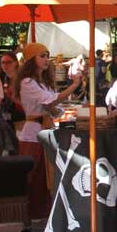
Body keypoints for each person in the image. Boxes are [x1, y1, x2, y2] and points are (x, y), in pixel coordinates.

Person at [16, 42, 82, 219]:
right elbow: (50, 102)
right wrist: (74, 85)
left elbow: (52, 107)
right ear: (31, 59)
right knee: (37, 179)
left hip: (46, 133)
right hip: (34, 136)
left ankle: (47, 215)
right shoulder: (28, 82)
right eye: (42, 56)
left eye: (47, 55)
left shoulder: (42, 83)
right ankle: (36, 216)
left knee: (47, 178)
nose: (47, 60)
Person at [0, 51, 25, 125]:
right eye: (3, 62)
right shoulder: (0, 79)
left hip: (21, 118)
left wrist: (13, 97)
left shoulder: (23, 80)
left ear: (16, 63)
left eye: (9, 62)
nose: (5, 65)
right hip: (5, 119)